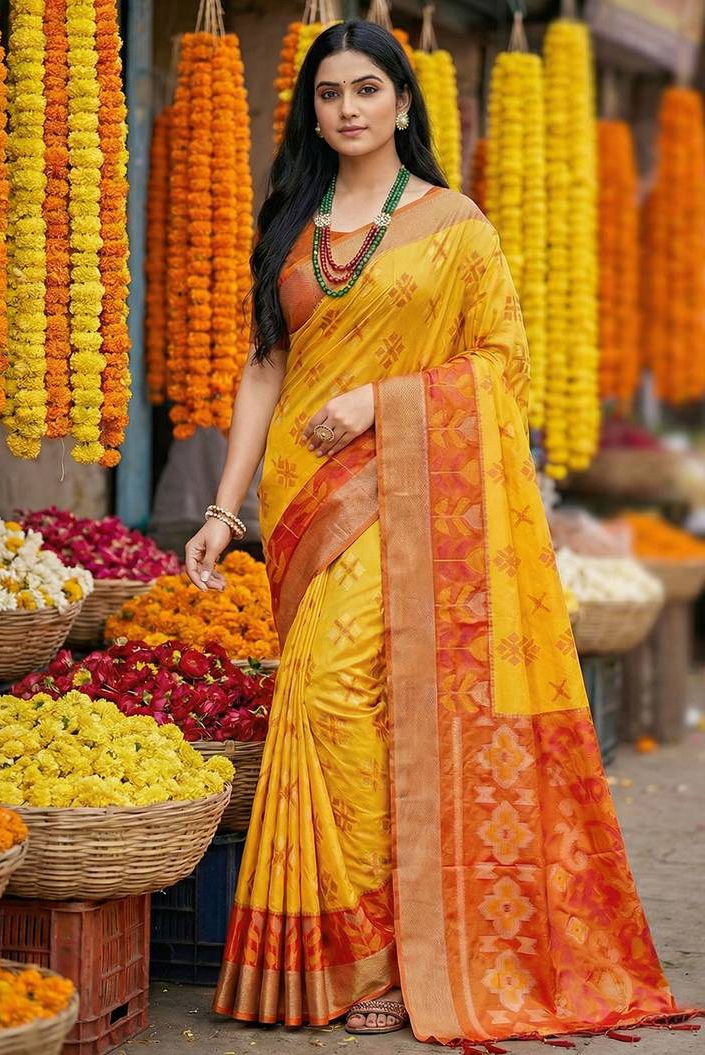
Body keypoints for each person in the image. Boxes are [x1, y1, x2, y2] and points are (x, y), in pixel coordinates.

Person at [184, 19, 699, 1046]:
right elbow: (265, 369)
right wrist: (220, 509)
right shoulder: (290, 215)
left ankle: (388, 957)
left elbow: (500, 367)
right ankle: (344, 947)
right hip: (302, 502)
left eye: (365, 90)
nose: (346, 110)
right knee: (342, 703)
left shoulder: (453, 223)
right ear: (310, 109)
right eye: (328, 94)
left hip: (407, 489)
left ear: (402, 103)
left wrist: (383, 401)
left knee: (338, 689)